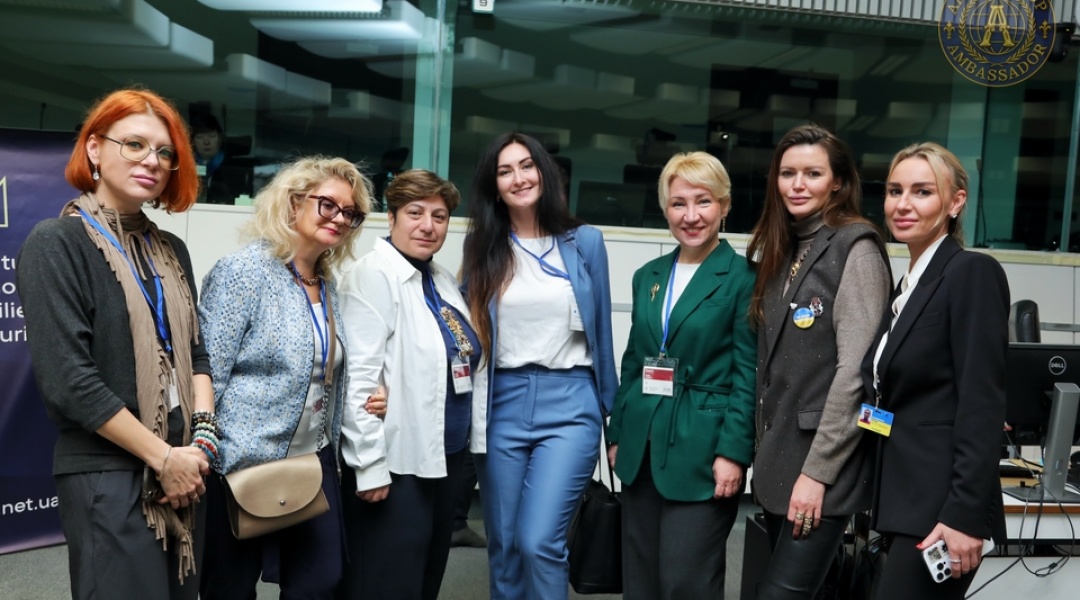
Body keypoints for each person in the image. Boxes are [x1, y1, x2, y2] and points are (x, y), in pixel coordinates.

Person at [17, 87, 211, 599]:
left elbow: (197, 353)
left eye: (165, 152)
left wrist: (200, 446)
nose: (152, 161)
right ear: (95, 149)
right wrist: (162, 458)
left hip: (185, 466)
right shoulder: (56, 243)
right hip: (109, 473)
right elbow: (70, 383)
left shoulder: (172, 250)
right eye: (135, 144)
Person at [197, 157, 371, 599]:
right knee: (229, 589)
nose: (340, 219)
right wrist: (203, 452)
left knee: (321, 580)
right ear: (293, 203)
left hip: (312, 459)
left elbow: (324, 368)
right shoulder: (244, 272)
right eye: (328, 205)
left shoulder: (326, 282)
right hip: (240, 463)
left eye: (350, 213)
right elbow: (207, 371)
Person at [462, 132, 618, 600]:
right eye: (504, 171)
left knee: (539, 542)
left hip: (570, 402)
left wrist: (615, 422)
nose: (518, 178)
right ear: (494, 187)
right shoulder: (482, 247)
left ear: (544, 173)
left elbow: (603, 334)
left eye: (526, 165)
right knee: (505, 545)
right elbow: (467, 334)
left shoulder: (585, 242)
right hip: (502, 403)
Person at [747, 123, 891, 599]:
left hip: (821, 469)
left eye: (812, 173)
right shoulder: (783, 248)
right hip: (778, 462)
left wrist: (817, 474)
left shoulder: (856, 247)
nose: (797, 184)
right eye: (787, 173)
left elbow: (855, 373)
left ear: (838, 182)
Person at [605, 151, 756, 599]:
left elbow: (748, 373)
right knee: (641, 581)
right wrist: (618, 432)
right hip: (642, 444)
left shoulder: (744, 278)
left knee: (685, 581)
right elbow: (634, 359)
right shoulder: (648, 275)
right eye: (678, 203)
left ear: (725, 205)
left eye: (703, 201)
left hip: (703, 448)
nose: (690, 216)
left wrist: (734, 452)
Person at [863, 142, 1008, 600]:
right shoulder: (909, 286)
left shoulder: (971, 273)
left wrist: (965, 516)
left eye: (922, 192)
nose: (903, 204)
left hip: (942, 510)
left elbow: (981, 403)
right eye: (895, 191)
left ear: (955, 202)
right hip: (901, 499)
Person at [336, 169, 482, 600]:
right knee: (386, 583)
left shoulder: (441, 279)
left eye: (439, 216)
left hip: (445, 457)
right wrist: (369, 466)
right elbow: (359, 382)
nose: (428, 226)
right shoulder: (372, 275)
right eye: (415, 213)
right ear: (392, 217)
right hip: (397, 462)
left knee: (425, 579)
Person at [190, 114, 249, 204]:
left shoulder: (233, 167)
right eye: (200, 137)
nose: (206, 142)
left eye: (212, 136)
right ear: (193, 141)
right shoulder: (186, 166)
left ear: (220, 138)